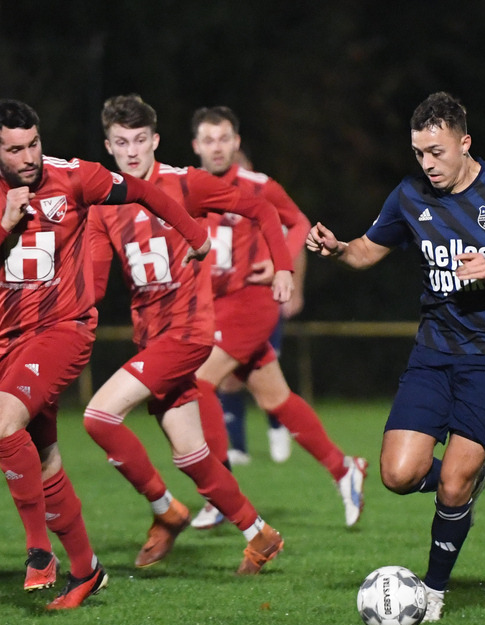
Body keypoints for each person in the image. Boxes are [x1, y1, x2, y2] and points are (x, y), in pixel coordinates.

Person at [0, 99, 208, 609]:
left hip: (63, 329)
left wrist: (194, 234)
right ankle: (86, 571)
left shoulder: (74, 177)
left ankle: (39, 551)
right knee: (42, 457)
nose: (29, 157)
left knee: (0, 421)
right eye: (15, 150)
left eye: (34, 144)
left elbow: (144, 190)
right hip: (4, 342)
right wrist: (1, 226)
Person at [307, 92, 485, 622]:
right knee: (398, 474)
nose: (427, 163)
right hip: (433, 352)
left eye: (437, 152)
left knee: (451, 483)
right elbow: (366, 251)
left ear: (464, 143)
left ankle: (435, 591)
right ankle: (465, 482)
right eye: (419, 153)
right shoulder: (409, 196)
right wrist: (338, 249)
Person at [84, 94, 290, 573]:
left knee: (99, 417)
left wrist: (282, 266)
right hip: (151, 339)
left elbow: (262, 211)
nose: (132, 151)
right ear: (108, 146)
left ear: (155, 140)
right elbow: (93, 287)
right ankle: (260, 535)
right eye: (121, 142)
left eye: (140, 140)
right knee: (192, 456)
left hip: (188, 334)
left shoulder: (185, 183)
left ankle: (166, 511)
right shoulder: (102, 207)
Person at [190, 105, 367, 529]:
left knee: (197, 383)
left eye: (224, 138)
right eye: (208, 140)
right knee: (275, 399)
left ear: (236, 142)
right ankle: (343, 468)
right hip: (218, 305)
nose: (217, 147)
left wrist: (279, 263)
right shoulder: (188, 185)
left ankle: (221, 494)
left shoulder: (257, 185)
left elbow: (299, 222)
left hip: (251, 303)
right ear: (196, 145)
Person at [215, 149, 308, 466]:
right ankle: (237, 447)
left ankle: (277, 427)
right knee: (227, 376)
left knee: (266, 372)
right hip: (226, 305)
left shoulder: (264, 204)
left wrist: (294, 287)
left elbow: (296, 238)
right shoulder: (213, 208)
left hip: (264, 301)